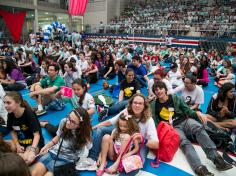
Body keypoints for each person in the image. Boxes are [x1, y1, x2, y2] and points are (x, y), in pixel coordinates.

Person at [151, 81, 232, 176]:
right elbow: (156, 123)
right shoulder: (153, 105)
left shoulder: (175, 98)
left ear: (165, 89)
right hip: (173, 128)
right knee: (184, 143)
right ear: (154, 92)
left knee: (199, 128)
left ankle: (216, 159)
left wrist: (197, 114)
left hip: (185, 121)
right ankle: (199, 168)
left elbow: (187, 110)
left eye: (160, 88)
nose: (158, 91)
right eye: (156, 90)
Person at [88, 93, 159, 175]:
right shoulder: (126, 112)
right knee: (101, 130)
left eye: (140, 103)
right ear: (131, 103)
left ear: (144, 106)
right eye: (135, 103)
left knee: (136, 163)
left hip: (139, 143)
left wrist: (143, 140)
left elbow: (156, 144)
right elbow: (110, 121)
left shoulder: (148, 120)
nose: (137, 105)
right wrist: (94, 127)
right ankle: (93, 158)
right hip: (122, 137)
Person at [31, 107, 92, 176]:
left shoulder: (84, 134)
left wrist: (86, 136)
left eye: (73, 122)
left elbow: (89, 147)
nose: (68, 122)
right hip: (54, 152)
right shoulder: (63, 122)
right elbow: (58, 136)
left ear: (80, 125)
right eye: (68, 117)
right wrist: (47, 146)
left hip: (66, 160)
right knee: (34, 173)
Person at [4, 91, 44, 165]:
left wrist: (32, 149)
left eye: (8, 103)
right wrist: (17, 145)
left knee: (25, 160)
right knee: (3, 146)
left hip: (33, 144)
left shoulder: (29, 113)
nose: (5, 105)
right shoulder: (10, 114)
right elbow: (12, 131)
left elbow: (37, 135)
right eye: (4, 103)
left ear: (18, 102)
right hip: (20, 143)